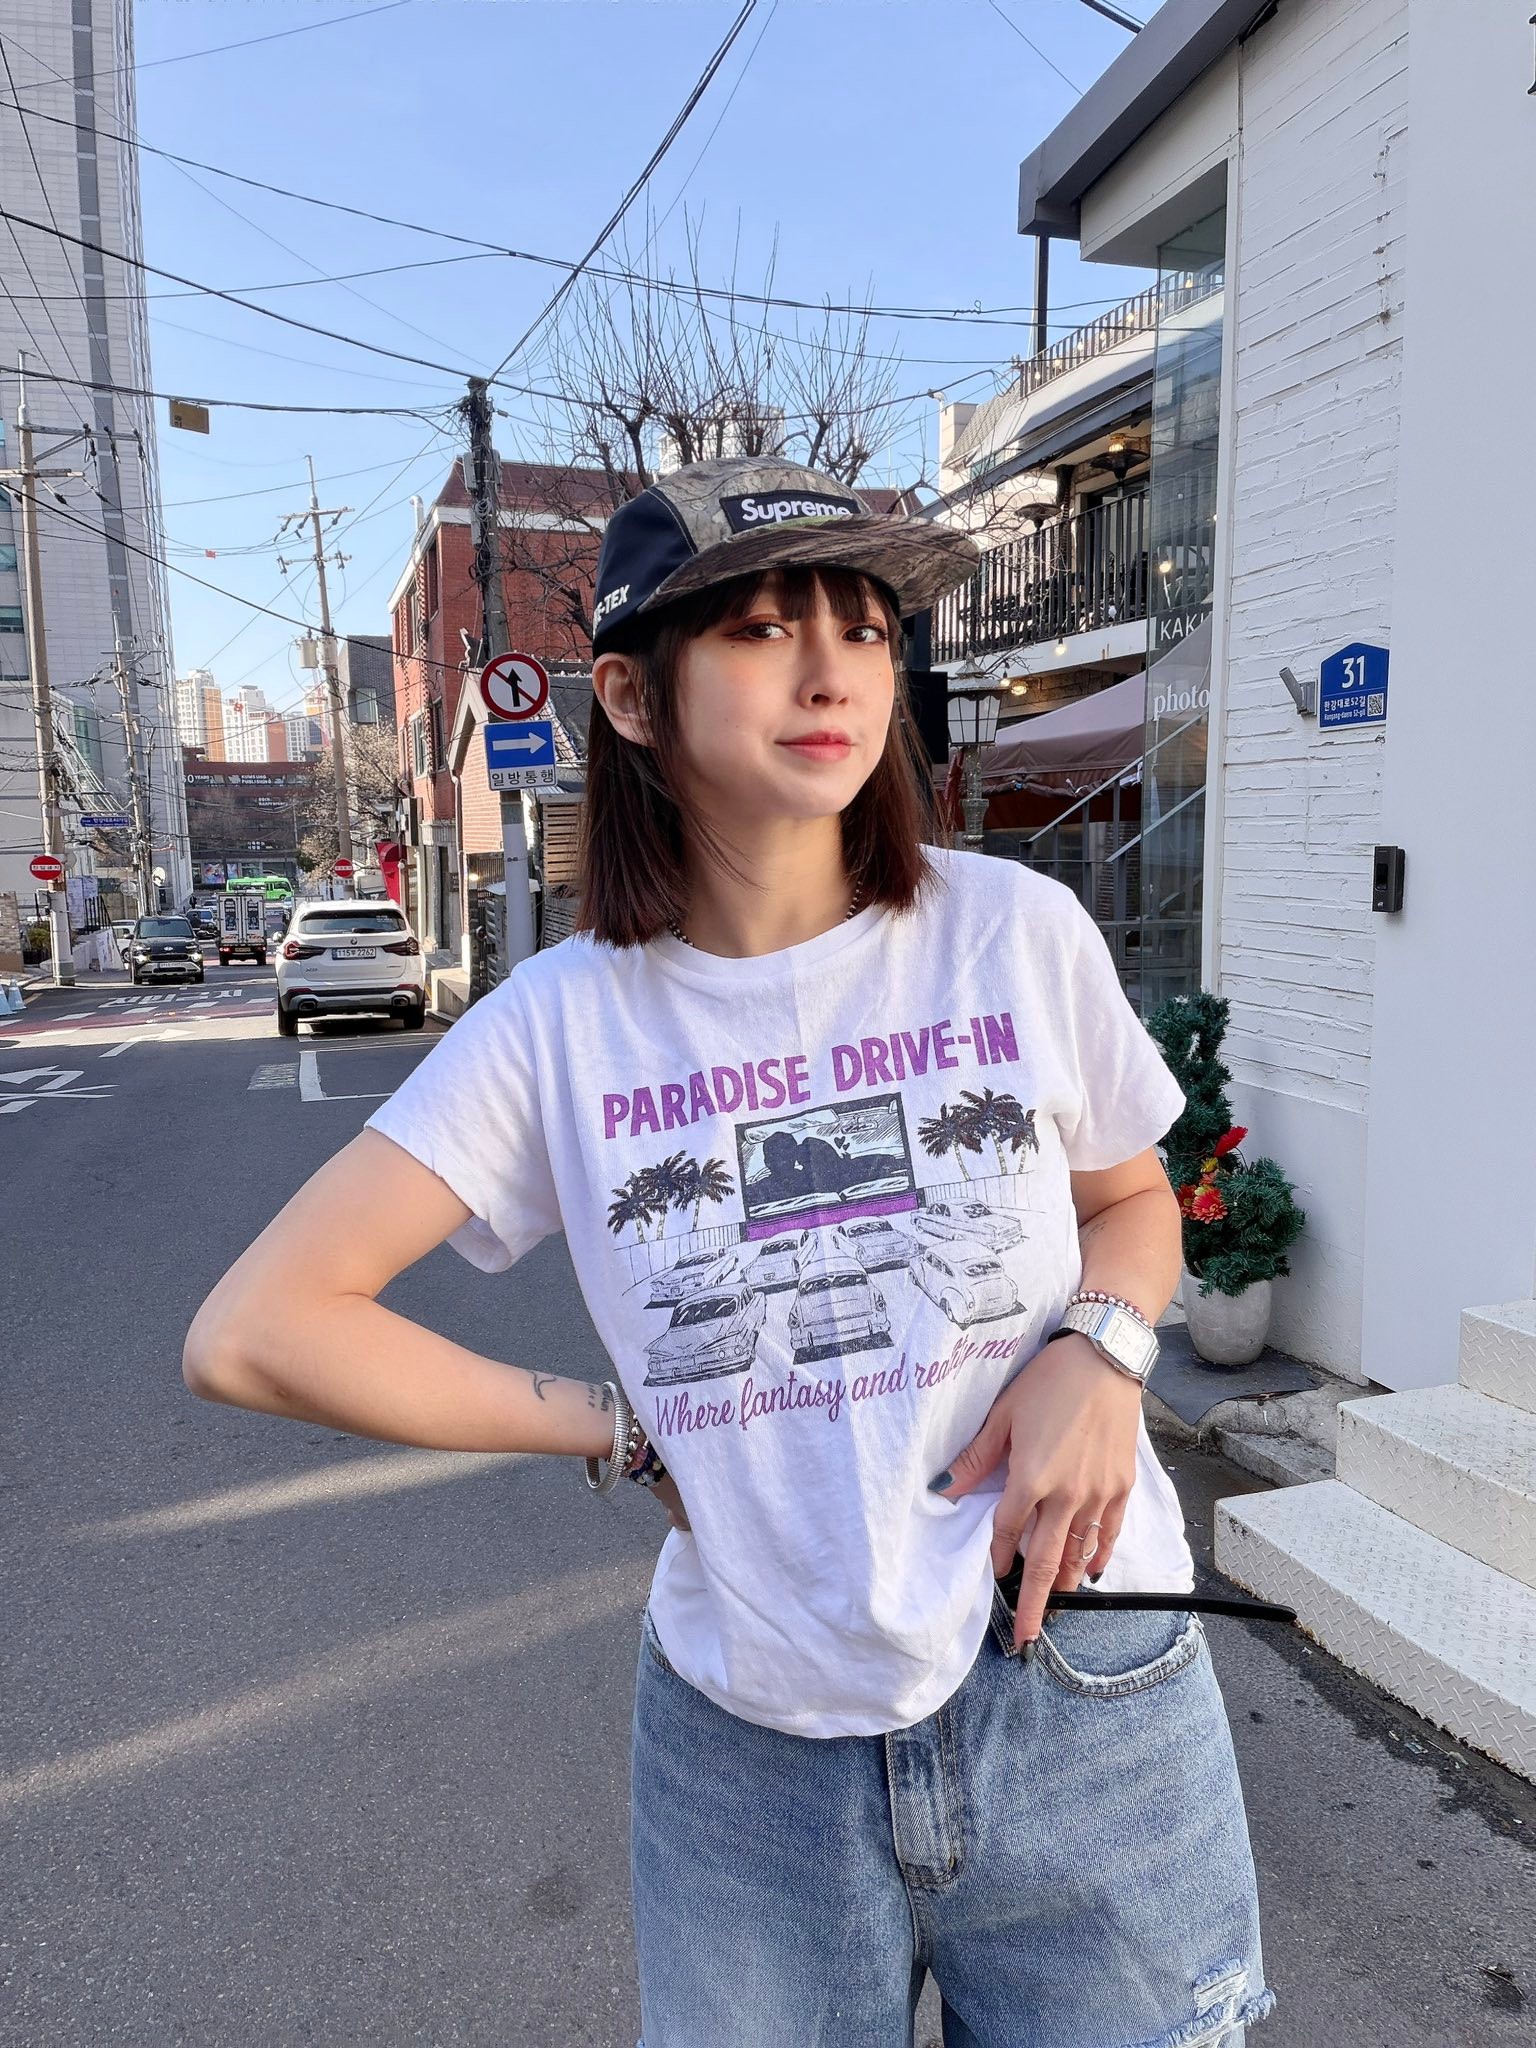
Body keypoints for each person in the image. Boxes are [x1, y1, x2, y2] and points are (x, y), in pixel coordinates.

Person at [184, 457, 1271, 2047]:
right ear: (633, 695)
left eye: (865, 627)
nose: (833, 673)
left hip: (1083, 1684)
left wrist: (1101, 1355)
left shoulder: (1010, 933)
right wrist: (619, 1428)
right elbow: (258, 1329)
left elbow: (1132, 1203)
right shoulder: (560, 1026)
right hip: (751, 1753)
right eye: (764, 630)